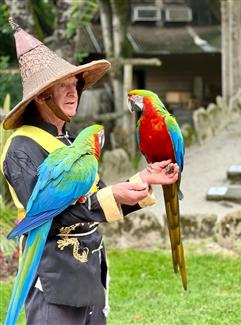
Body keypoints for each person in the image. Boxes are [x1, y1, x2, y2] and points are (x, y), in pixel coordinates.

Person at [1, 18, 179, 325]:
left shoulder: (72, 141)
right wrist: (108, 196)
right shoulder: (22, 147)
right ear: (41, 96)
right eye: (62, 87)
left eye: (75, 85)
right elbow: (49, 217)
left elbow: (99, 199)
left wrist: (144, 179)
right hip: (53, 280)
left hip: (90, 273)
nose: (73, 93)